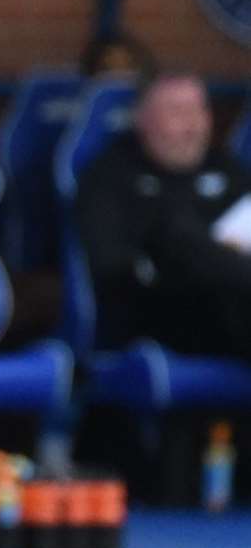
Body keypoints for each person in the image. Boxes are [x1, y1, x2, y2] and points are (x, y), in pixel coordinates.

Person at [75, 71, 251, 357]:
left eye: (200, 110)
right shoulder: (110, 177)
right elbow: (111, 268)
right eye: (177, 112)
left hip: (238, 300)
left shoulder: (224, 168)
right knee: (177, 236)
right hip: (164, 310)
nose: (192, 126)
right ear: (142, 120)